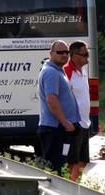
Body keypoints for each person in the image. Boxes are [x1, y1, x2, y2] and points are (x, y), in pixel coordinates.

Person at [38, 40, 81, 174]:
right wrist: (64, 122)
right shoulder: (51, 72)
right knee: (54, 167)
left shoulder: (58, 70)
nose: (64, 55)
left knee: (61, 164)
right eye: (60, 52)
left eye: (66, 52)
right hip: (55, 129)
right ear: (51, 53)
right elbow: (52, 100)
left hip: (60, 128)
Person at [64, 40, 91, 181]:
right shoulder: (67, 71)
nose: (88, 57)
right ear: (74, 56)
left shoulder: (84, 71)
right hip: (74, 123)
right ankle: (70, 188)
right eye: (85, 54)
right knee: (73, 162)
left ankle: (75, 186)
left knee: (83, 161)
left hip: (85, 122)